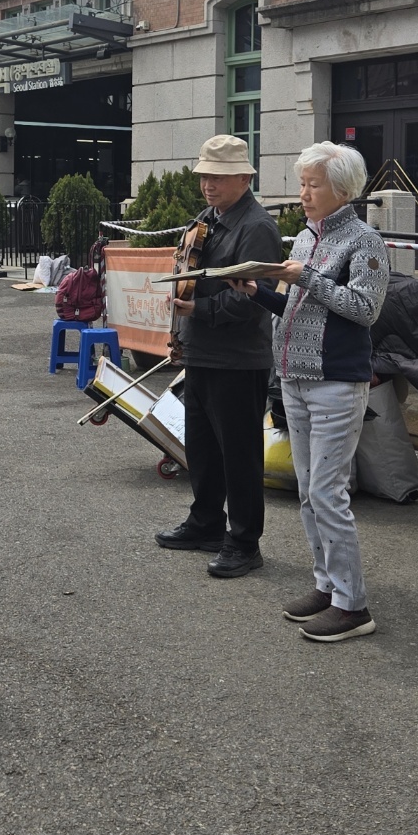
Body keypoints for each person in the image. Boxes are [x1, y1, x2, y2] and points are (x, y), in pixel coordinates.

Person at [233, 141, 389, 642]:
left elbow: (364, 309)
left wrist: (308, 277)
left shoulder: (365, 241)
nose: (303, 193)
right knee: (308, 491)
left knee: (326, 492)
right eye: (301, 183)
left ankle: (353, 605)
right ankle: (327, 585)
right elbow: (299, 308)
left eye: (312, 184)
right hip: (294, 379)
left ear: (341, 189)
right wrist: (259, 293)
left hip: (337, 382)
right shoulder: (304, 237)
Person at [155, 134, 283, 577]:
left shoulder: (257, 227)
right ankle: (206, 522)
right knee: (203, 447)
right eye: (205, 176)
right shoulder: (206, 219)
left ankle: (245, 542)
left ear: (245, 178)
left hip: (238, 358)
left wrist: (198, 309)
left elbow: (254, 299)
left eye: (219, 177)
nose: (209, 184)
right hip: (202, 351)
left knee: (239, 455)